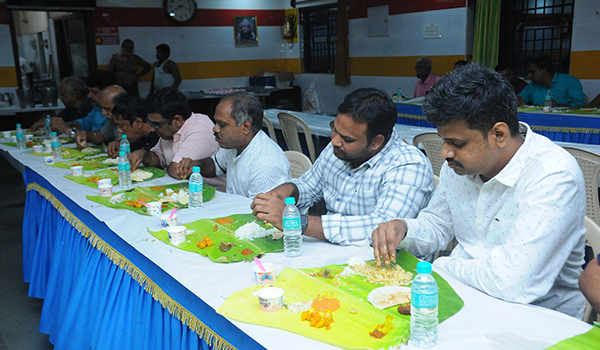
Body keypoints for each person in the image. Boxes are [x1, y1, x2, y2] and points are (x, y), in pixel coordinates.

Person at [371, 64, 586, 318]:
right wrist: (404, 229)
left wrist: (440, 265)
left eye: (457, 143)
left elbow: (511, 284)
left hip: (536, 320)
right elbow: (438, 224)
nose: (445, 153)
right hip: (463, 297)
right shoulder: (462, 165)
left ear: (499, 134)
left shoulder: (552, 176)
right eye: (444, 140)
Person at [251, 88, 434, 246]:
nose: (335, 141)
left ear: (376, 142)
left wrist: (296, 222)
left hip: (384, 266)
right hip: (333, 251)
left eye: (347, 139)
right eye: (335, 129)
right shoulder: (337, 149)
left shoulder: (408, 164)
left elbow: (381, 228)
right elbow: (309, 185)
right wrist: (288, 191)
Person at [187, 92, 290, 198]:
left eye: (222, 125)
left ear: (245, 127)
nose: (215, 129)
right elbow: (216, 165)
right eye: (216, 123)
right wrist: (196, 165)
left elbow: (262, 212)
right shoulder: (235, 145)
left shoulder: (265, 163)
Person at [128, 87, 220, 181]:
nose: (152, 129)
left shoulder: (200, 127)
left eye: (156, 124)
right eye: (150, 123)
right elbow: (159, 159)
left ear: (177, 120)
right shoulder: (169, 132)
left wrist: (167, 168)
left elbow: (177, 171)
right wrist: (143, 154)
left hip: (209, 191)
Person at [47, 70, 117, 136]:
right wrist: (65, 124)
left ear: (108, 92)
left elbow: (98, 135)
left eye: (94, 92)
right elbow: (84, 123)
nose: (89, 96)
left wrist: (68, 130)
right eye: (89, 92)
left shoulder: (114, 111)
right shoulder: (97, 107)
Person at [74, 85, 127, 157]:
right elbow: (102, 135)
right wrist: (85, 134)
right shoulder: (112, 120)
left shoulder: (133, 119)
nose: (103, 113)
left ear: (121, 105)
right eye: (102, 108)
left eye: (107, 109)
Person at [517, 56, 585, 107]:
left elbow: (580, 105)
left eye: (532, 72)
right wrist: (518, 100)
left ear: (543, 71)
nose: (529, 75)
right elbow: (520, 99)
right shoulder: (532, 86)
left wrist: (559, 106)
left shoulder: (570, 81)